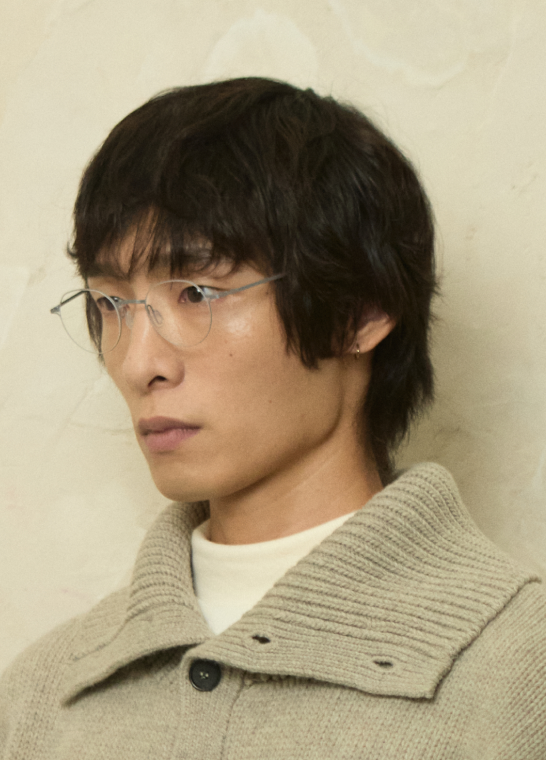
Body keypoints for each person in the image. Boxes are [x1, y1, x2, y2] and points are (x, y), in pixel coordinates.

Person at [1, 77, 545, 759]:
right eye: (110, 304)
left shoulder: (520, 675)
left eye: (197, 292)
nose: (139, 364)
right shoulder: (40, 698)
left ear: (360, 311)